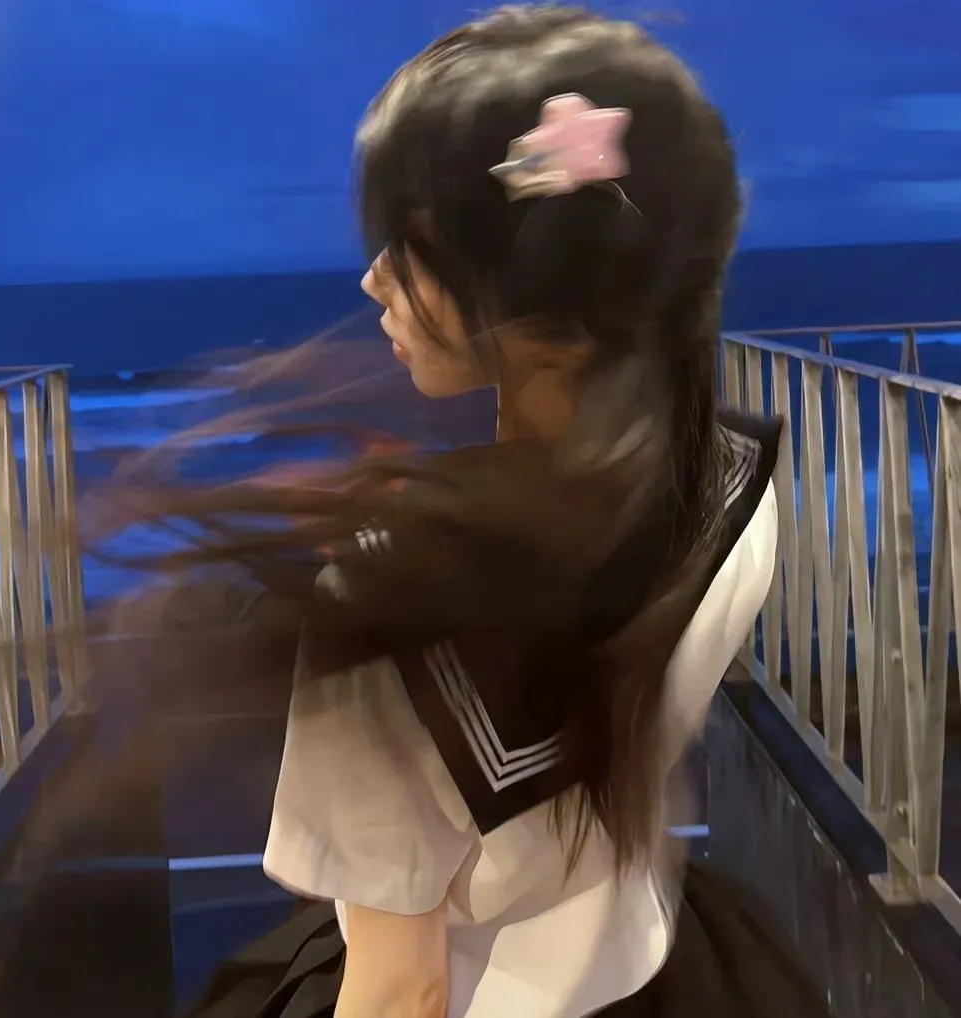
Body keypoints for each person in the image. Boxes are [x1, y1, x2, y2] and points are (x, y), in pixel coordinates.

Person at [89, 6, 823, 1017]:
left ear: (539, 299)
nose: (372, 281)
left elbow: (404, 989)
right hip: (652, 961)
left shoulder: (391, 603)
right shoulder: (737, 477)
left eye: (413, 249)